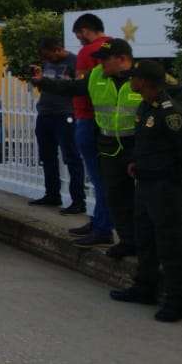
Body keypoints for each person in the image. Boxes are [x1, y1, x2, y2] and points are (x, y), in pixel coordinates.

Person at [34, 39, 150, 258]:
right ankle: (126, 241)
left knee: (139, 198)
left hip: (137, 147)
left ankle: (141, 243)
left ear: (122, 59)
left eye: (105, 60)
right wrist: (44, 82)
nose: (100, 64)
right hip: (108, 146)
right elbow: (73, 87)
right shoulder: (97, 75)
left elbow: (174, 93)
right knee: (114, 195)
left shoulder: (142, 77)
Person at [109, 61, 182, 322]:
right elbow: (147, 144)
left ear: (145, 81)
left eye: (133, 78)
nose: (129, 82)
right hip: (146, 184)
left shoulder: (170, 113)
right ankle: (145, 287)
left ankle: (176, 300)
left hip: (166, 187)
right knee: (145, 239)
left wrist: (173, 179)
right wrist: (138, 163)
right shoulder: (146, 106)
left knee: (171, 244)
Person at [65, 13, 115, 248]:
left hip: (87, 117)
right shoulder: (114, 46)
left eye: (79, 35)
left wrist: (64, 84)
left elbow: (81, 87)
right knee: (103, 177)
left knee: (98, 178)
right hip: (109, 121)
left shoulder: (88, 52)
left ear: (85, 30)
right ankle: (98, 221)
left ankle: (102, 227)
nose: (79, 41)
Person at [29, 37, 86, 213]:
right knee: (47, 156)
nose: (47, 60)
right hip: (45, 113)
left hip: (65, 114)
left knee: (71, 157)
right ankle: (52, 194)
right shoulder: (47, 64)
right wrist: (38, 81)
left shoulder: (74, 62)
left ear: (57, 49)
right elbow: (46, 88)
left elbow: (77, 87)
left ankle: (78, 201)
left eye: (49, 56)